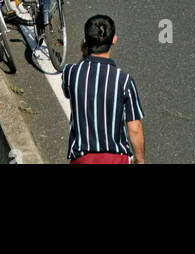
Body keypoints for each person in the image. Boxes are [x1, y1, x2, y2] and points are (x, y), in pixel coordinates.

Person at [61, 15, 144, 164]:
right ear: (114, 40)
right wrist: (140, 160)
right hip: (116, 159)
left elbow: (69, 92)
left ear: (85, 42)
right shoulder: (124, 81)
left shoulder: (70, 73)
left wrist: (85, 52)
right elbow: (135, 128)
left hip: (82, 158)